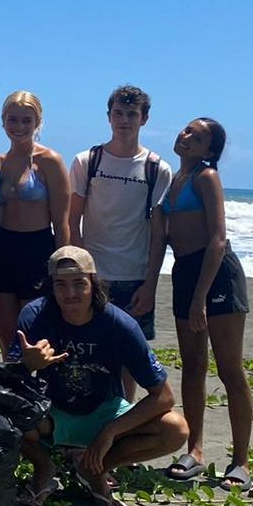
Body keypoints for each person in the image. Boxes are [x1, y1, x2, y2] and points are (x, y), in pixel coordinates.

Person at [11, 246, 188, 506]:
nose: (70, 294)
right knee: (2, 414)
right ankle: (44, 467)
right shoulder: (34, 316)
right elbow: (5, 383)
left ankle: (93, 469)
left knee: (175, 428)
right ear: (51, 287)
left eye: (79, 284)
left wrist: (110, 432)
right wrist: (27, 365)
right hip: (51, 413)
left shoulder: (120, 324)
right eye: (61, 285)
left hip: (103, 413)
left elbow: (163, 396)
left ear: (94, 284)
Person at [155, 118, 253, 489]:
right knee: (193, 366)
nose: (186, 137)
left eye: (196, 137)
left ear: (209, 151)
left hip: (216, 275)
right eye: (185, 131)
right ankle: (195, 450)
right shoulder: (174, 180)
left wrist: (201, 297)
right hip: (184, 272)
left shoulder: (206, 176)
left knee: (230, 370)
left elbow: (218, 240)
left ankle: (241, 461)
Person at [68, 84, 173, 397]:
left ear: (144, 119)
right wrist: (82, 273)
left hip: (135, 276)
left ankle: (123, 420)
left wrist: (150, 284)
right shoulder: (88, 161)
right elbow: (73, 222)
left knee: (129, 359)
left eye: (131, 114)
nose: (124, 120)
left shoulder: (158, 169)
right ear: (108, 116)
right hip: (95, 276)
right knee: (92, 354)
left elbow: (159, 234)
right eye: (118, 113)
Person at [0, 91, 70, 356]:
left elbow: (61, 221)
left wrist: (63, 269)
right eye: (13, 120)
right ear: (3, 121)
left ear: (38, 122)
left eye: (26, 120)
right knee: (9, 343)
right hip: (1, 253)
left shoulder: (50, 161)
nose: (19, 127)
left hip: (37, 252)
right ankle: (13, 394)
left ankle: (41, 394)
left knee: (37, 340)